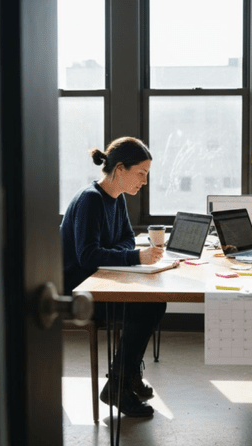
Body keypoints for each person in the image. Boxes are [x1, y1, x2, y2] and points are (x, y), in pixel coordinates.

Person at [61, 136, 166, 417]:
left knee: (156, 302)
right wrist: (133, 257)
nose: (144, 181)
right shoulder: (90, 200)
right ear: (120, 169)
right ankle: (118, 385)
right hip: (79, 293)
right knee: (145, 309)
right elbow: (88, 256)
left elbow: (128, 239)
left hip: (100, 282)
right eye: (141, 173)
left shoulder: (116, 199)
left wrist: (121, 252)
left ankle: (126, 374)